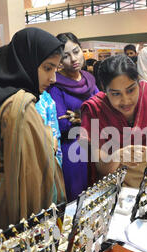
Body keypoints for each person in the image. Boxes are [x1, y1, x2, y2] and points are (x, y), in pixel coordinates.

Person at [0, 28, 67, 244]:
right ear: (26, 62)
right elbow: (34, 175)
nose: (53, 78)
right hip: (8, 204)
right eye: (47, 68)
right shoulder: (19, 105)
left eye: (55, 69)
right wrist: (49, 142)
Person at [80, 55, 147, 188]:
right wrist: (117, 156)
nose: (126, 100)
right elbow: (101, 168)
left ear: (138, 81)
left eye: (131, 90)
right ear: (104, 91)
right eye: (116, 94)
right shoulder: (95, 110)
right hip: (114, 191)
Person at [48, 32, 99, 202]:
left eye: (76, 51)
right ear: (59, 60)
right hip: (74, 149)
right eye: (66, 56)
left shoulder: (89, 80)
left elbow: (103, 109)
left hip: (98, 144)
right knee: (78, 200)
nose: (74, 59)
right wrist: (90, 117)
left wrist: (81, 117)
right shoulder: (56, 86)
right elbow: (63, 124)